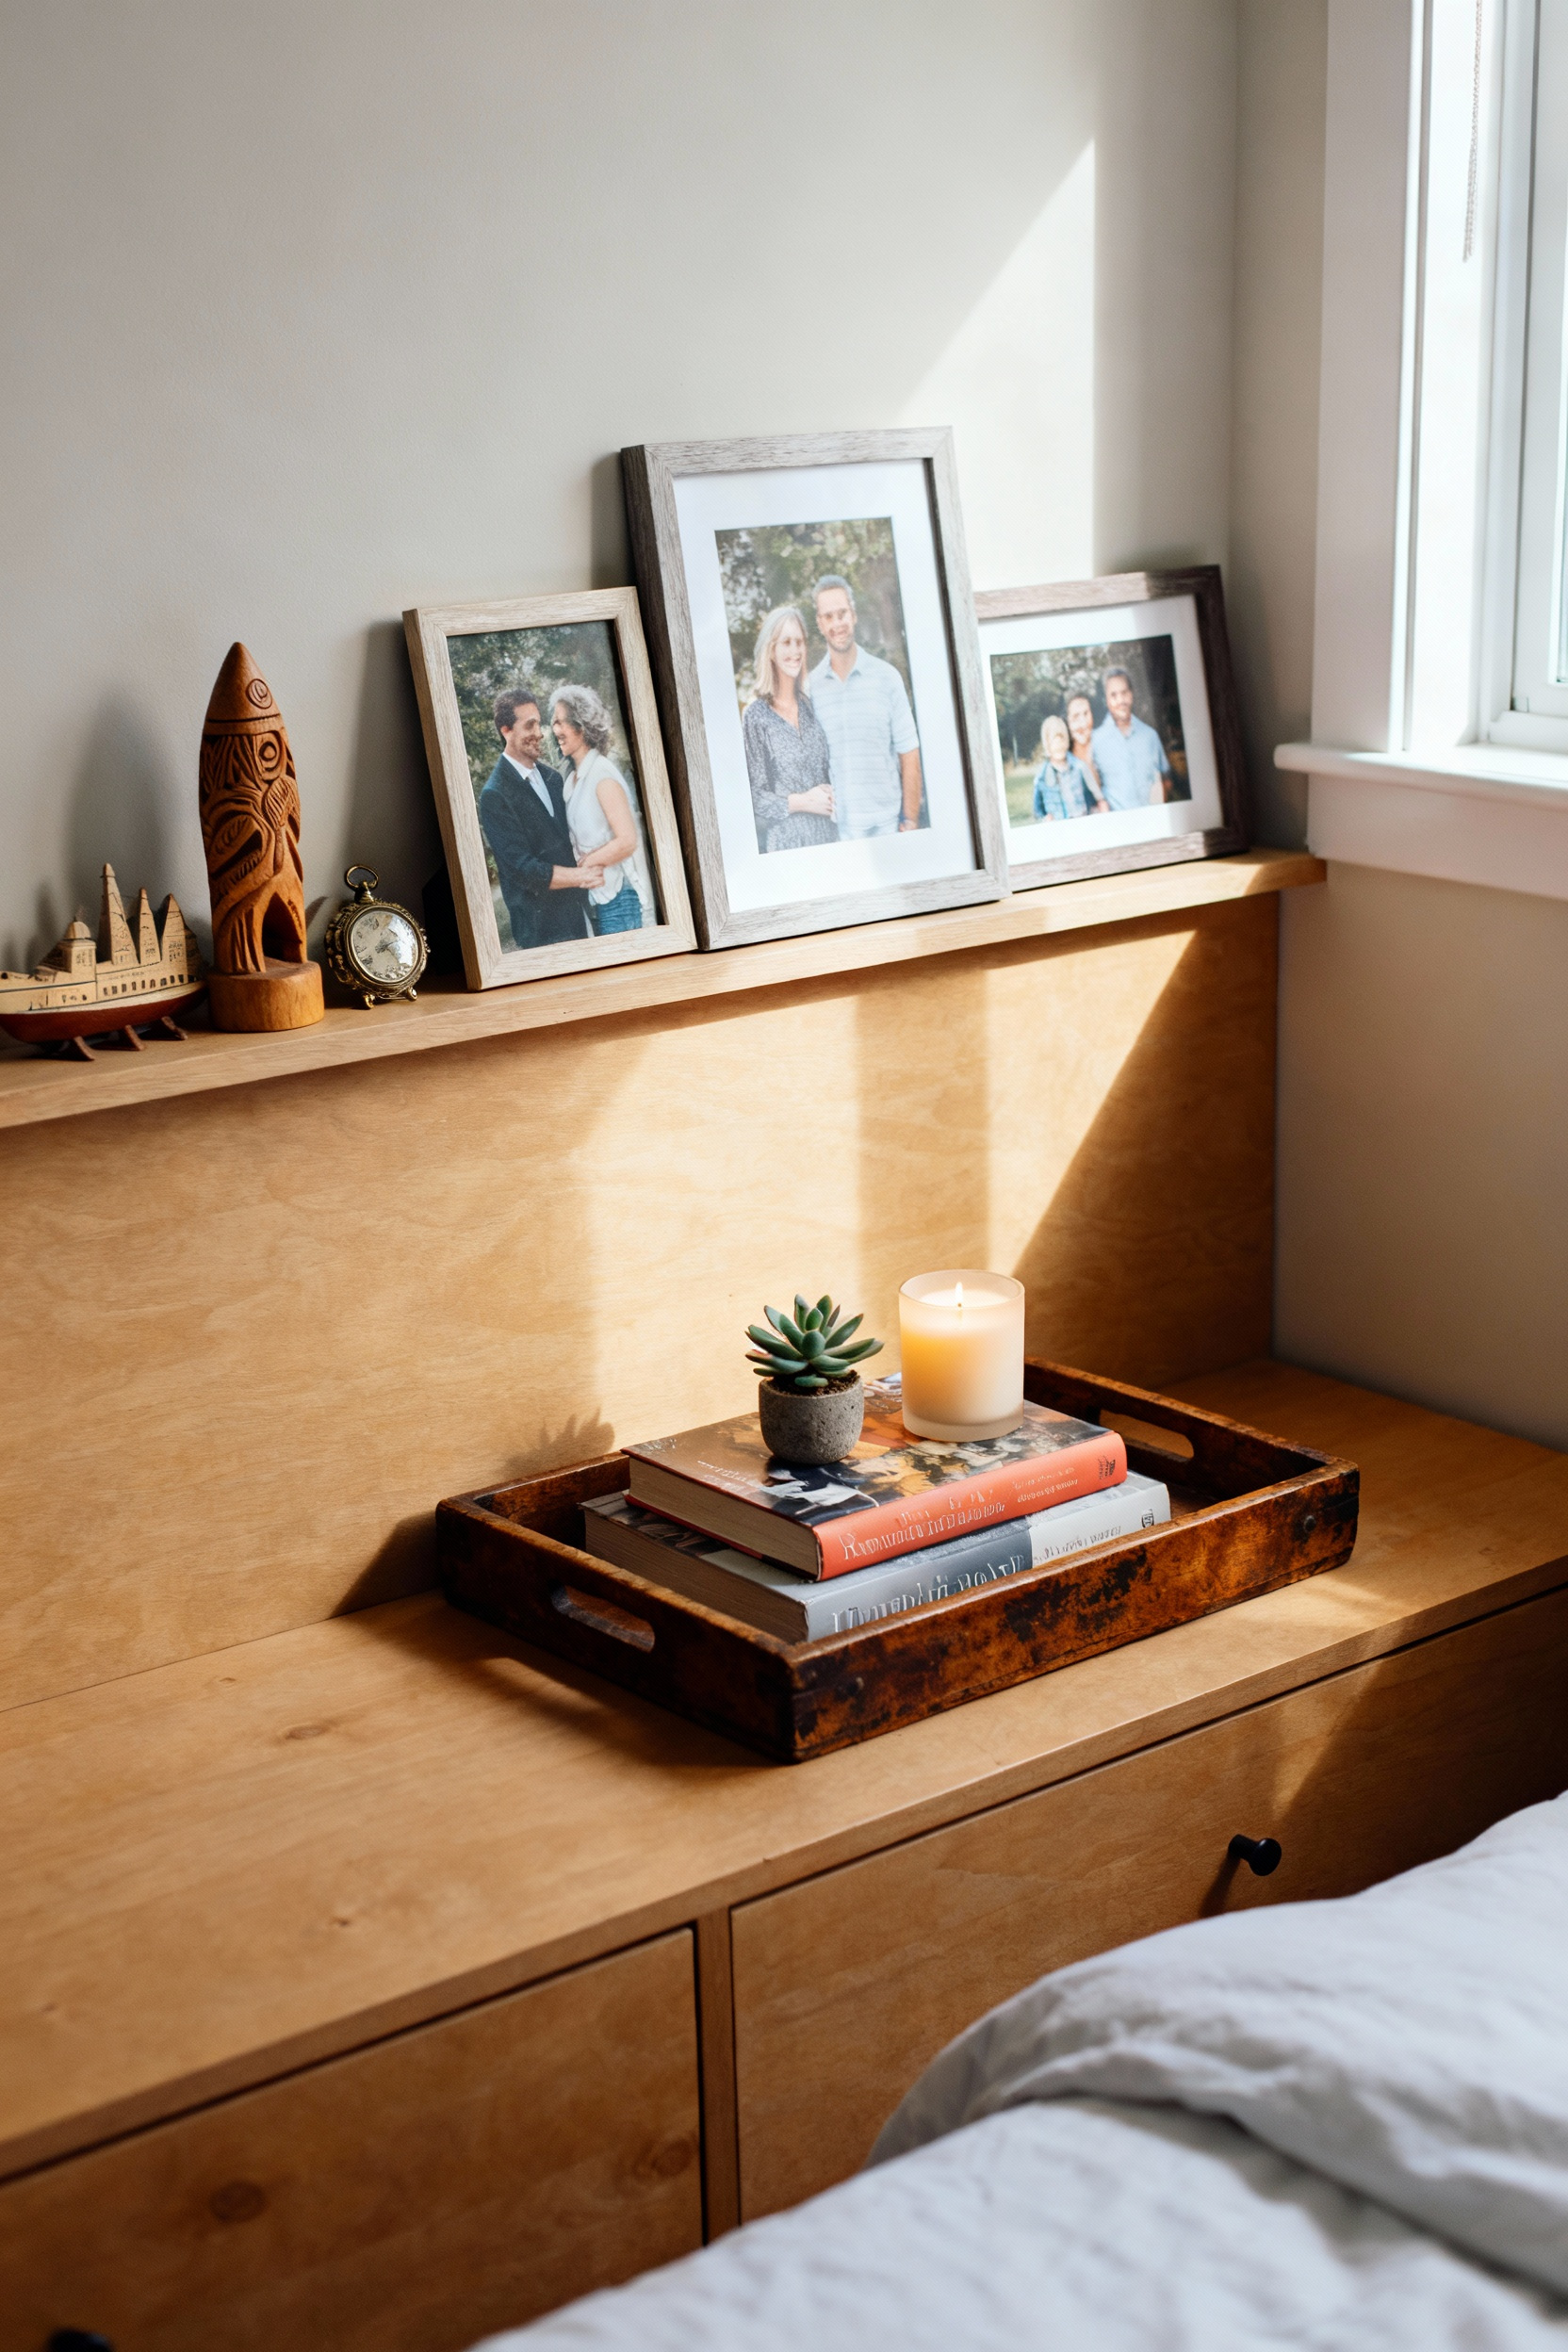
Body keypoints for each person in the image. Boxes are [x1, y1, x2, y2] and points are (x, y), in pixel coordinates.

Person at [477, 686, 599, 949]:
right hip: (541, 931)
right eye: (530, 726)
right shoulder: (494, 795)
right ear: (506, 730)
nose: (540, 733)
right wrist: (582, 876)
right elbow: (525, 870)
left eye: (539, 724)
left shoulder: (552, 778)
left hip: (578, 915)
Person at [808, 576, 923, 838]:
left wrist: (911, 821)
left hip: (889, 825)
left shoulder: (888, 677)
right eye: (828, 617)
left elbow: (909, 753)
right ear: (820, 623)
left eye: (842, 614)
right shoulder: (810, 688)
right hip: (838, 832)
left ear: (854, 615)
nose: (837, 624)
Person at [549, 684, 652, 935]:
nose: (555, 731)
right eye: (554, 724)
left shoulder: (601, 774)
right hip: (600, 898)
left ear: (581, 726)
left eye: (561, 723)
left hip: (620, 899)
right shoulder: (573, 781)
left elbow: (628, 840)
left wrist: (586, 865)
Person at [741, 607, 838, 853]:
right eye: (786, 642)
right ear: (771, 651)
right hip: (788, 846)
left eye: (799, 642)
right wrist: (804, 802)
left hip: (832, 840)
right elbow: (754, 796)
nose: (795, 651)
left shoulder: (814, 706)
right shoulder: (756, 717)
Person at [1090, 666, 1172, 809]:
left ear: (1131, 694)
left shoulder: (1150, 736)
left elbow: (1166, 781)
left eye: (1124, 692)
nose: (1120, 700)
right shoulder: (1096, 741)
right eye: (1114, 695)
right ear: (1107, 700)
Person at [1031, 713, 1099, 821]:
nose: (1059, 745)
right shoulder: (1042, 776)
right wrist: (1045, 818)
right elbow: (1037, 811)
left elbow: (1092, 799)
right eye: (1054, 741)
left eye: (1062, 739)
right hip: (1059, 831)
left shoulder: (1079, 768)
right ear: (1047, 744)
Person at [1065, 693, 1109, 810]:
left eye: (1086, 714)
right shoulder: (1064, 758)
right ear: (1068, 722)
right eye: (1075, 716)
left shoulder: (1105, 746)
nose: (1083, 723)